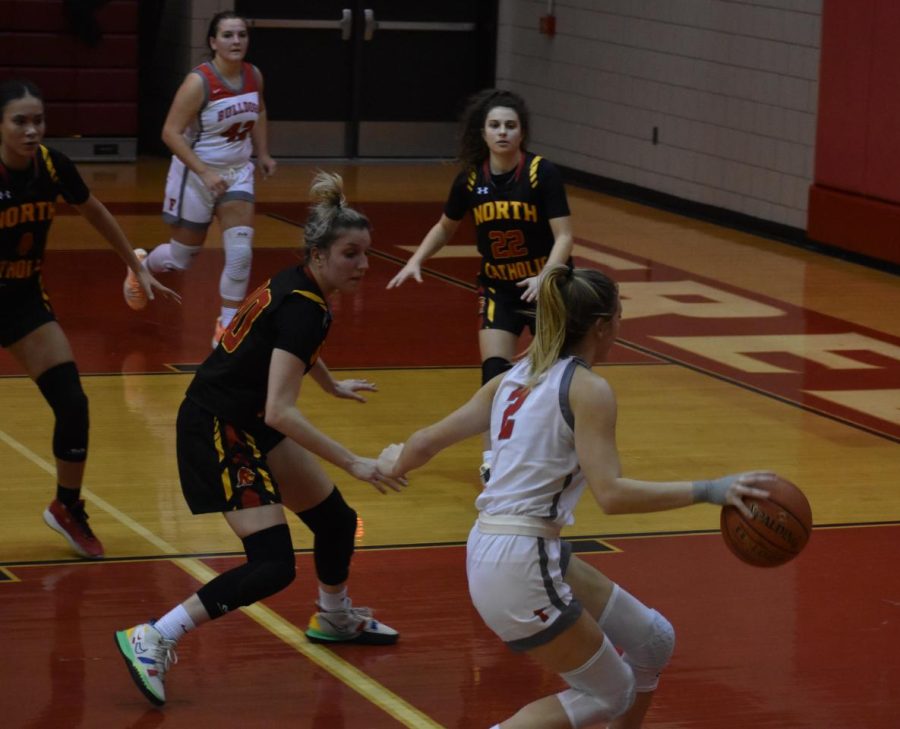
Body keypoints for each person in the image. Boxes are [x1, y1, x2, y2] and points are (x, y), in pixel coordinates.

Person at [377, 264, 775, 729]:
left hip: (497, 546)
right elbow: (612, 495)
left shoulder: (514, 376)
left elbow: (426, 441)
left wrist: (390, 463)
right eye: (620, 317)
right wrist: (711, 491)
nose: (620, 328)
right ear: (602, 326)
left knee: (653, 640)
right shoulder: (589, 389)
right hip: (520, 560)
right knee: (610, 691)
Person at [115, 171, 404, 708]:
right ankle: (154, 635)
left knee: (336, 521)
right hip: (219, 427)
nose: (363, 265)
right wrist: (354, 462)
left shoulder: (297, 284)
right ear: (319, 254)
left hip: (245, 420)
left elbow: (282, 347)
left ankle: (336, 618)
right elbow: (280, 409)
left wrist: (329, 381)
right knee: (273, 564)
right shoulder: (308, 307)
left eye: (366, 253)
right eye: (351, 254)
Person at [0, 79, 177, 560]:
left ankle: (67, 506)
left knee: (73, 404)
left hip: (20, 302)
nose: (32, 129)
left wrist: (135, 264)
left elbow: (95, 213)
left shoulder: (53, 166)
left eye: (38, 120)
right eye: (20, 120)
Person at [387, 88, 574, 486]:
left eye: (510, 125)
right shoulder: (471, 180)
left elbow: (565, 237)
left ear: (522, 132)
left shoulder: (543, 174)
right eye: (495, 125)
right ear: (483, 132)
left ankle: (555, 452)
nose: (503, 132)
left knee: (552, 377)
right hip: (499, 288)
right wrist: (417, 258)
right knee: (494, 377)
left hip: (545, 287)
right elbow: (444, 226)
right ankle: (493, 456)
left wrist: (546, 276)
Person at [123, 10, 277, 347]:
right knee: (182, 258)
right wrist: (204, 172)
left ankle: (226, 327)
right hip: (195, 174)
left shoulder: (254, 76)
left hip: (237, 174)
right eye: (228, 35)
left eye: (241, 34)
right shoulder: (199, 82)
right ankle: (142, 265)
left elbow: (260, 110)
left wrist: (262, 153)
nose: (236, 41)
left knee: (240, 254)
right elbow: (169, 132)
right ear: (213, 42)